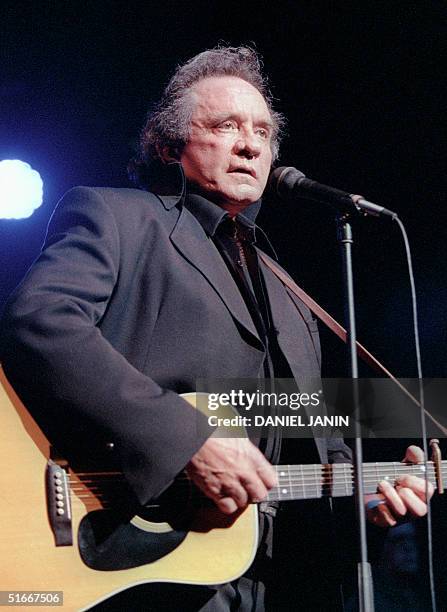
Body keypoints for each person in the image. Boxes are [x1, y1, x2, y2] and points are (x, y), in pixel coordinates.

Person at [0, 46, 433, 611]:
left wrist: (371, 499)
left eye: (262, 131)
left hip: (264, 584)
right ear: (167, 144)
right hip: (122, 555)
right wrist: (188, 440)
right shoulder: (120, 217)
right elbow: (40, 322)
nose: (251, 144)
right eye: (227, 125)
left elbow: (308, 452)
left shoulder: (291, 297)